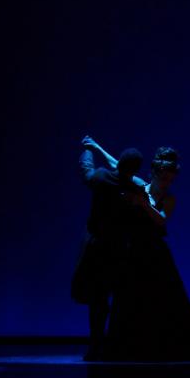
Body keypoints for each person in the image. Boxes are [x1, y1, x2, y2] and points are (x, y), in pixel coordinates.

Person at [83, 138, 190, 361]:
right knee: (130, 302)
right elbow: (116, 164)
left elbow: (162, 220)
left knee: (173, 302)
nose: (167, 182)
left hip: (157, 256)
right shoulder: (139, 185)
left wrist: (144, 204)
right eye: (164, 177)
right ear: (156, 173)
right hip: (132, 253)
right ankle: (131, 347)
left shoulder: (167, 199)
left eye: (171, 179)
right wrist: (96, 147)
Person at [73, 137, 144, 362]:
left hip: (97, 249)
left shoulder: (103, 178)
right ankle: (118, 344)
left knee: (98, 300)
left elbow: (87, 171)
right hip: (120, 251)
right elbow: (123, 170)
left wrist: (88, 151)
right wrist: (99, 148)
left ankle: (96, 345)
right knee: (120, 299)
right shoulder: (135, 186)